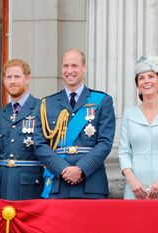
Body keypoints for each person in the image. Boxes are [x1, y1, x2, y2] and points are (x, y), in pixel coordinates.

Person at [34, 48, 116, 199]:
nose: (69, 70)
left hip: (91, 185)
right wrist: (63, 168)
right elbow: (39, 144)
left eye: (74, 66)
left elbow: (105, 143)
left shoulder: (102, 101)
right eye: (65, 66)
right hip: (58, 184)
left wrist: (81, 169)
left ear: (84, 68)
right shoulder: (47, 103)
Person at [0, 59, 43, 200]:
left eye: (17, 76)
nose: (12, 81)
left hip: (32, 186)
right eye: (9, 77)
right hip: (3, 186)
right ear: (3, 80)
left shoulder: (42, 109)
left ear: (27, 78)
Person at [118, 55, 158, 199]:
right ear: (137, 86)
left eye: (151, 76)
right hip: (136, 189)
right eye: (141, 78)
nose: (146, 81)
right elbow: (124, 152)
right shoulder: (129, 114)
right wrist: (132, 181)